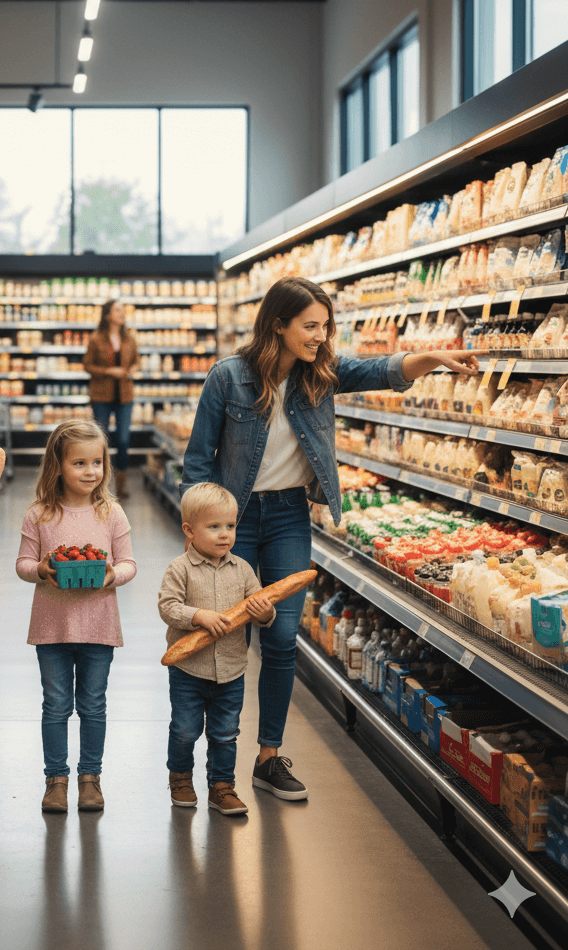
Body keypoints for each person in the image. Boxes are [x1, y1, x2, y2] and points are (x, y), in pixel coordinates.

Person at [181, 276, 478, 801]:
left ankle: (268, 758)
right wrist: (196, 536)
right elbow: (198, 460)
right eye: (311, 326)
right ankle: (218, 769)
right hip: (232, 522)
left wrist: (434, 358)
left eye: (325, 326)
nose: (321, 336)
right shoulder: (228, 377)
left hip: (289, 516)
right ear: (279, 325)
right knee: (230, 640)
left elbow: (383, 369)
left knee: (281, 639)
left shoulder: (321, 374)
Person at [15, 419, 137, 814]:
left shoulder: (111, 513)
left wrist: (112, 575)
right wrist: (41, 570)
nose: (90, 472)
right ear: (58, 466)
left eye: (97, 463)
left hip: (99, 626)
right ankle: (56, 779)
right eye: (79, 463)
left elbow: (129, 563)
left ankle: (90, 779)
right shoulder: (39, 514)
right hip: (51, 626)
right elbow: (23, 563)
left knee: (93, 705)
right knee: (55, 705)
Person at [158, 482, 276, 815]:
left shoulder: (244, 570)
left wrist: (265, 613)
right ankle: (180, 778)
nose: (225, 534)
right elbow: (168, 607)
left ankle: (222, 787)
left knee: (225, 733)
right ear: (189, 531)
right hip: (189, 670)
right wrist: (198, 616)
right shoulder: (179, 568)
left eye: (230, 526)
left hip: (231, 670)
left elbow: (261, 611)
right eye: (214, 527)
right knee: (185, 730)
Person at [84, 299, 139, 499]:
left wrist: (133, 368)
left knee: (123, 440)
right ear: (108, 315)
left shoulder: (129, 337)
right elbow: (87, 365)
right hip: (101, 395)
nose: (122, 313)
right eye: (117, 310)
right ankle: (99, 486)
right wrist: (109, 371)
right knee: (101, 440)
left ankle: (121, 485)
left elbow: (136, 360)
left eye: (123, 310)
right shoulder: (96, 338)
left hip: (125, 395)